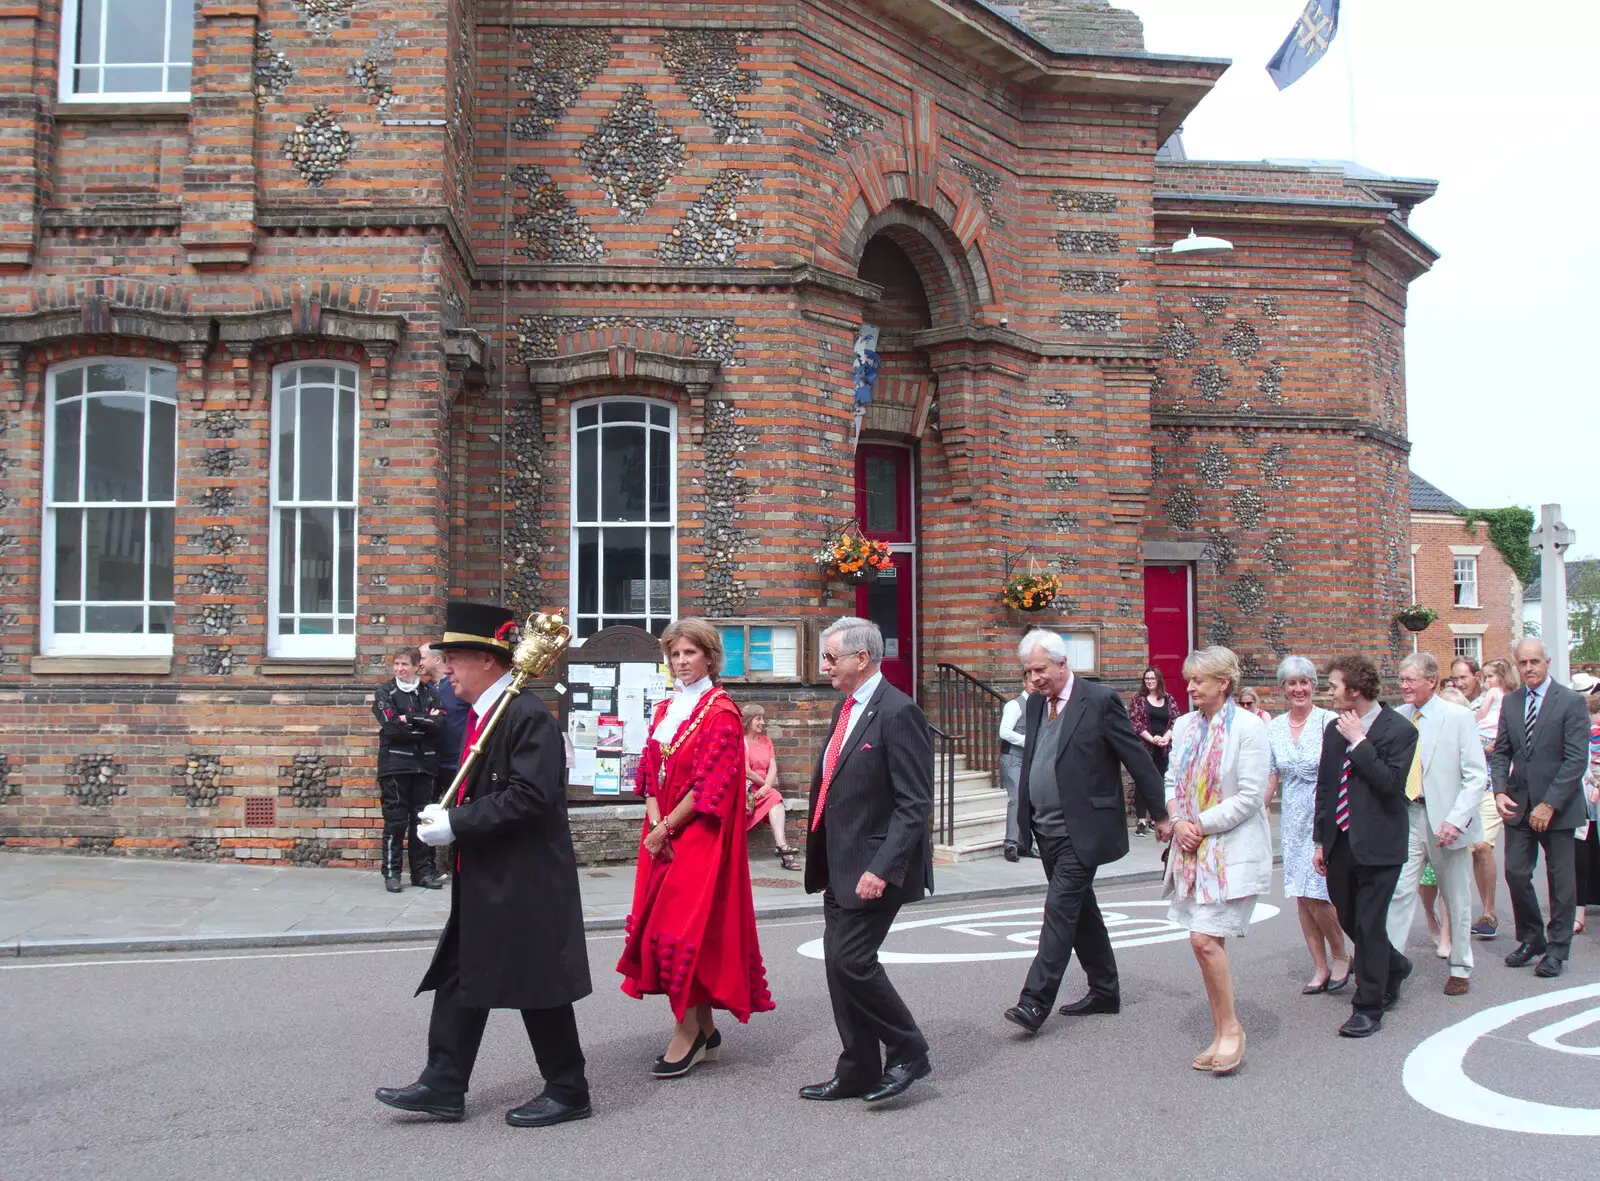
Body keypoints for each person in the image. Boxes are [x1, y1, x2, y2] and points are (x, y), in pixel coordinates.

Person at [375, 601, 593, 1128]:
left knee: (537, 982)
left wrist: (458, 824)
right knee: (459, 974)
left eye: (455, 659)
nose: (445, 669)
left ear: (488, 661)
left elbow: (531, 797)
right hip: (488, 874)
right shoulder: (485, 713)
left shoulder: (525, 715)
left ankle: (568, 1089)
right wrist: (448, 811)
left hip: (525, 876)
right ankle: (443, 1084)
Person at [617, 618, 774, 1078]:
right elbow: (648, 772)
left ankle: (686, 1033)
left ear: (709, 657)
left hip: (697, 837)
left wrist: (666, 827)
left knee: (675, 934)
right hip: (660, 834)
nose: (681, 662)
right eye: (674, 654)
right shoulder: (667, 708)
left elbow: (710, 786)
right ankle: (704, 1030)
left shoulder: (722, 713)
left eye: (689, 653)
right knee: (666, 931)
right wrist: (654, 826)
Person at [1002, 629, 1169, 1035]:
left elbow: (1136, 758)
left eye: (1040, 669)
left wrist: (1162, 814)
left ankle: (1034, 1002)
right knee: (1081, 912)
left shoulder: (1099, 700)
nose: (1035, 678)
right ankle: (1105, 990)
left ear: (1063, 663)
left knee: (1059, 910)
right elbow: (1038, 759)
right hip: (1047, 830)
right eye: (1028, 671)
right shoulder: (1039, 705)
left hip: (1084, 829)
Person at [800, 617, 934, 1104]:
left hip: (873, 866)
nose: (824, 664)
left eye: (832, 656)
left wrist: (881, 867)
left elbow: (914, 802)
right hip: (838, 863)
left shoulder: (898, 712)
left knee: (851, 960)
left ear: (863, 658)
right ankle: (858, 1067)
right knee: (839, 966)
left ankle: (909, 1049)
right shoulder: (847, 708)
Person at [1161, 646, 1271, 1076]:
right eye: (1188, 679)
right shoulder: (1185, 725)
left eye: (1198, 681)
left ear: (1223, 683)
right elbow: (1171, 779)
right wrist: (1176, 819)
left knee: (1203, 941)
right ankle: (1221, 1030)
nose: (1189, 688)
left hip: (1230, 849)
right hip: (1192, 852)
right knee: (1209, 946)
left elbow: (1249, 796)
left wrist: (1197, 825)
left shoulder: (1249, 728)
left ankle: (1231, 1030)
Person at [1312, 653, 1418, 1038]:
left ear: (1354, 691)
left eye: (1334, 686)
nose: (1329, 692)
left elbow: (1391, 785)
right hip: (1341, 842)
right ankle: (1395, 964)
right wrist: (1320, 840)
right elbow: (1325, 789)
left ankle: (1368, 1006)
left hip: (1381, 845)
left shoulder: (1399, 730)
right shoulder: (1332, 729)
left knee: (1370, 924)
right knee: (1349, 918)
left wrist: (1360, 742)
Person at [1382, 654, 1488, 997]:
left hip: (1446, 821)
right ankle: (1390, 966)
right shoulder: (1397, 718)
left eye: (1411, 679)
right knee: (1398, 892)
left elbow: (1476, 776)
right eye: (1401, 679)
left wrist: (1456, 820)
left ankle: (1460, 965)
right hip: (1408, 815)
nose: (1405, 686)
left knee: (1455, 896)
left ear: (1432, 680)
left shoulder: (1457, 717)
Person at [1491, 638, 1591, 978]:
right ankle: (1532, 938)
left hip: (1559, 806)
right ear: (1516, 666)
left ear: (1547, 662)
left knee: (1561, 881)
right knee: (1516, 873)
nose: (1529, 668)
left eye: (1535, 661)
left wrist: (1550, 804)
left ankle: (1558, 948)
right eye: (1523, 663)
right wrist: (1499, 790)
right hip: (1519, 803)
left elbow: (1577, 759)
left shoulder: (1571, 702)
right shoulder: (1512, 702)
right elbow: (1502, 751)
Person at [1265, 655, 1348, 994]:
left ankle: (1342, 955)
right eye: (1291, 683)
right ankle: (1319, 966)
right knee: (1300, 896)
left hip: (1324, 816)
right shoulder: (1273, 728)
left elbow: (1345, 773)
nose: (1298, 688)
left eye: (1304, 682)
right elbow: (1270, 778)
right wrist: (1259, 808)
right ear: (1283, 688)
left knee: (1317, 893)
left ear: (1314, 685)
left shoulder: (1331, 721)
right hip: (1293, 820)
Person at [372, 647, 445, 892]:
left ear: (416, 667)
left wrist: (410, 719)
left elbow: (439, 724)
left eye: (405, 664)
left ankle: (422, 873)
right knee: (395, 821)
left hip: (425, 765)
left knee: (422, 821)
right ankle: (392, 873)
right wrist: (422, 722)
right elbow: (391, 726)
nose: (400, 669)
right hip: (395, 765)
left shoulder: (429, 692)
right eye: (396, 664)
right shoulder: (385, 691)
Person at [1452, 657, 1504, 939]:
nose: (1460, 683)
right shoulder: (1451, 705)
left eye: (1464, 677)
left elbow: (1499, 742)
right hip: (1460, 789)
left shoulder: (1492, 703)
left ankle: (1489, 911)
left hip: (1489, 784)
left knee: (1483, 846)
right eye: (1455, 678)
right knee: (1470, 851)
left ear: (1476, 677)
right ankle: (1464, 915)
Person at [744, 704, 799, 871]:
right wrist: (766, 785)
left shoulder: (766, 741)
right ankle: (785, 853)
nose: (763, 722)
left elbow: (773, 767)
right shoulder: (742, 742)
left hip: (765, 788)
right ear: (748, 721)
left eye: (763, 718)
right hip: (748, 791)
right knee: (774, 795)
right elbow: (746, 771)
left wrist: (767, 786)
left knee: (775, 797)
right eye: (758, 719)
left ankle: (783, 849)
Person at [420, 641, 471, 793]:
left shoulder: (458, 686)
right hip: (430, 764)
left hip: (457, 764)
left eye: (422, 658)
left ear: (436, 660)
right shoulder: (423, 689)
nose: (419, 663)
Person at [1128, 666, 1173, 837]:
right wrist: (1151, 738)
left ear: (1158, 680)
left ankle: (1157, 818)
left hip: (1163, 747)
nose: (1149, 681)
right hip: (1145, 746)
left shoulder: (1168, 699)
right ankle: (1141, 820)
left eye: (1152, 679)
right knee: (1143, 781)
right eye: (1147, 679)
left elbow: (1175, 719)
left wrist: (1166, 738)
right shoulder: (1139, 699)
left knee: (1161, 781)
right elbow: (1135, 722)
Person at [1575, 692, 1600, 935]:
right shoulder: (1585, 735)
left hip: (1592, 798)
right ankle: (1577, 912)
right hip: (1581, 801)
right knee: (1578, 858)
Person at [999, 680, 1030, 860]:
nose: (1035, 684)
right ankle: (1010, 844)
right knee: (1017, 798)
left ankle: (1025, 844)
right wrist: (1027, 740)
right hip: (1013, 757)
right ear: (1024, 683)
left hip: (1029, 759)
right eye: (1031, 681)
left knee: (1029, 800)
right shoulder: (1015, 705)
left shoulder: (1039, 705)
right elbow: (1004, 732)